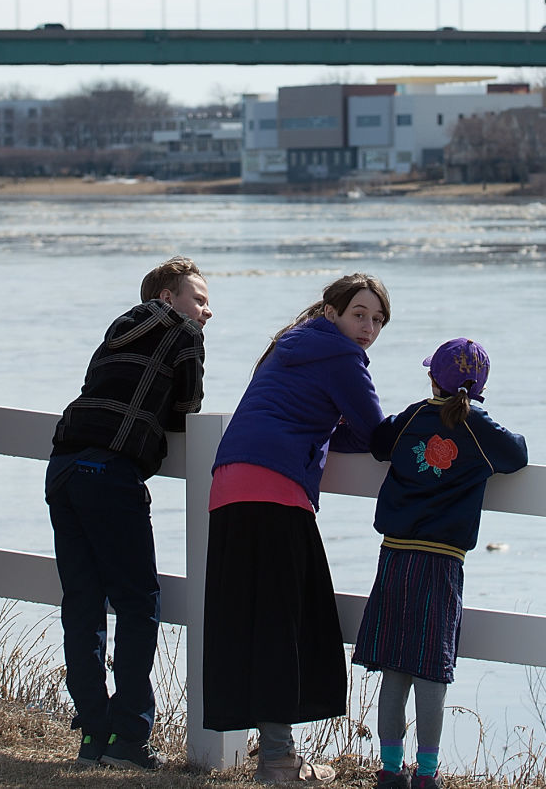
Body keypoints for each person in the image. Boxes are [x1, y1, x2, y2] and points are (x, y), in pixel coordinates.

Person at [203, 273, 391, 785]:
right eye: (359, 314)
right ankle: (278, 762)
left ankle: (275, 754)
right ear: (332, 312)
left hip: (229, 483)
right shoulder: (342, 357)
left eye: (378, 320)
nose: (369, 328)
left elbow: (318, 422)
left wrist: (335, 431)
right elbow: (378, 435)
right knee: (286, 625)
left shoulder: (290, 346)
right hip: (276, 488)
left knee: (250, 623)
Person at [47, 256, 213, 771]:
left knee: (82, 603)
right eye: (199, 299)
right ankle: (130, 738)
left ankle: (92, 733)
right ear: (168, 298)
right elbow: (187, 408)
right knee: (139, 603)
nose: (206, 311)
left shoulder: (118, 328)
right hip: (111, 472)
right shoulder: (183, 332)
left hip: (64, 465)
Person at [352, 338, 528, 789]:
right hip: (442, 562)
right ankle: (427, 775)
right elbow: (517, 454)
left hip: (395, 556)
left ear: (432, 378)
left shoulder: (413, 417)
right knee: (431, 670)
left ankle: (390, 770)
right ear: (480, 388)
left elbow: (379, 443)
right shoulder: (478, 426)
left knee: (394, 668)